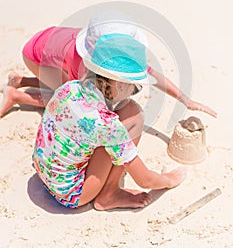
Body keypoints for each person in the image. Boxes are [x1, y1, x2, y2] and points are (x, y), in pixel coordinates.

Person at [33, 31, 187, 210]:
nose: (133, 92)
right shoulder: (107, 125)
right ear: (121, 84)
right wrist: (168, 180)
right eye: (135, 88)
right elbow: (144, 180)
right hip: (73, 194)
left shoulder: (69, 88)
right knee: (134, 115)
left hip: (43, 171)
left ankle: (104, 186)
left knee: (122, 113)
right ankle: (109, 194)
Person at [0, 14, 217, 118]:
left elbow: (153, 76)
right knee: (69, 100)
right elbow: (76, 99)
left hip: (47, 40)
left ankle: (22, 81)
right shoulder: (82, 66)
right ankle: (15, 95)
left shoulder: (100, 47)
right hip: (35, 55)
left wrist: (186, 101)